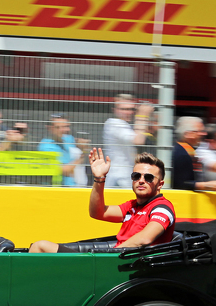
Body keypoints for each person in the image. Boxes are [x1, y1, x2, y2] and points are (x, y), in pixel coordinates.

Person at [29, 150, 175, 252]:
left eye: (148, 178)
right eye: (136, 176)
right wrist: (99, 178)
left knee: (41, 247)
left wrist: (109, 255)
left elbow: (144, 239)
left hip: (127, 265)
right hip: (116, 261)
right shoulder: (131, 206)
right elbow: (97, 213)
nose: (141, 181)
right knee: (37, 247)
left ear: (160, 185)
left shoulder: (162, 208)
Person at [102, 94, 154, 188]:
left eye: (131, 109)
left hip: (125, 176)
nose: (129, 112)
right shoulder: (114, 123)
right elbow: (138, 140)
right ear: (114, 109)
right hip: (119, 178)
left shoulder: (125, 125)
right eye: (124, 109)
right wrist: (142, 115)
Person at [172, 116, 216, 191]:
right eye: (199, 131)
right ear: (188, 134)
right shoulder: (181, 153)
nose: (203, 134)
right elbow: (179, 183)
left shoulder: (187, 150)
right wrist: (206, 185)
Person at [37, 114, 90, 187]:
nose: (67, 130)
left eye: (67, 126)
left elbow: (80, 143)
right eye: (62, 127)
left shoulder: (66, 139)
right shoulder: (46, 146)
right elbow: (64, 170)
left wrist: (83, 144)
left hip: (74, 186)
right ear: (50, 128)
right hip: (60, 189)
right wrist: (83, 153)